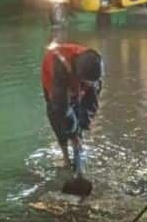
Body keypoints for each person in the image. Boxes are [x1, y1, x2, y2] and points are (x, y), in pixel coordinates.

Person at [41, 42, 103, 174]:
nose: (92, 84)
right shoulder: (60, 66)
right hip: (55, 89)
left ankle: (78, 151)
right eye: (88, 82)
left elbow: (92, 102)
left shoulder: (93, 64)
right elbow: (61, 108)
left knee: (78, 124)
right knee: (58, 120)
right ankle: (65, 158)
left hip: (76, 84)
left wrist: (82, 126)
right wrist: (73, 133)